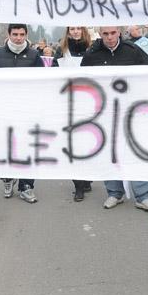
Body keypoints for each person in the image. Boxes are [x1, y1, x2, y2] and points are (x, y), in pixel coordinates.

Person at [81, 25, 148, 212]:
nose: (109, 37)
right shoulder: (91, 54)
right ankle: (114, 193)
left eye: (113, 33)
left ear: (119, 33)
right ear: (100, 33)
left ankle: (143, 195)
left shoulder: (132, 50)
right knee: (110, 153)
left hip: (132, 110)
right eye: (105, 34)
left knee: (137, 150)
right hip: (105, 111)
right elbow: (82, 81)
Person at [0, 23, 43, 202]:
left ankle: (26, 186)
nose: (18, 38)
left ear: (26, 35)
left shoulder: (35, 56)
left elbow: (42, 82)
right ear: (8, 34)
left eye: (21, 34)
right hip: (4, 110)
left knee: (27, 147)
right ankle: (7, 178)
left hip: (27, 111)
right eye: (15, 34)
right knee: (6, 147)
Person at [54, 26, 94, 201]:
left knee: (88, 143)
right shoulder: (62, 50)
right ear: (68, 31)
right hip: (69, 103)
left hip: (90, 102)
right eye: (72, 29)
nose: (76, 32)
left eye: (79, 28)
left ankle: (86, 179)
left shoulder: (92, 49)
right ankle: (78, 185)